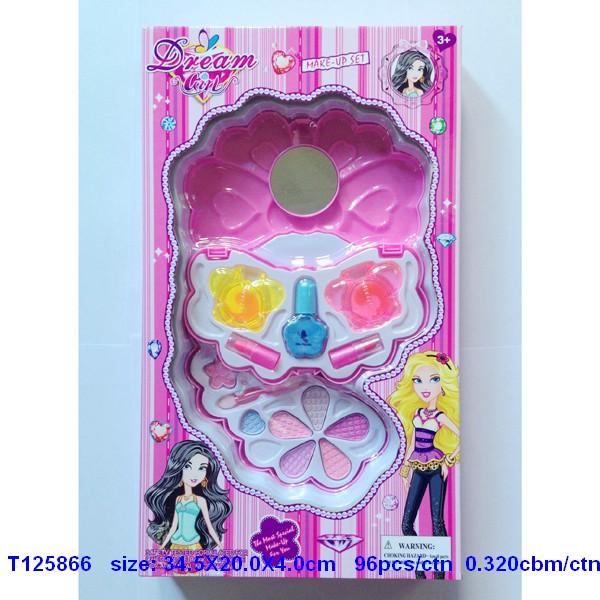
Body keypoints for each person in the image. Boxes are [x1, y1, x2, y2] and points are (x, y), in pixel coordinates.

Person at [387, 351, 460, 579]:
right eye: (418, 380)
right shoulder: (417, 413)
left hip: (436, 468)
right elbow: (412, 444)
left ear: (443, 384)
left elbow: (461, 436)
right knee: (406, 524)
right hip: (417, 467)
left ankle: (439, 576)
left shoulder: (440, 416)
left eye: (433, 379)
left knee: (437, 522)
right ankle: (419, 572)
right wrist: (405, 470)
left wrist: (449, 459)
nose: (425, 387)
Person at [145, 440, 232, 550]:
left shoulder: (200, 500)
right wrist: (163, 545)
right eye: (187, 466)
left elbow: (210, 527)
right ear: (178, 468)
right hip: (175, 543)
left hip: (193, 544)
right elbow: (173, 527)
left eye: (201, 468)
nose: (194, 474)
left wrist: (222, 548)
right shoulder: (178, 499)